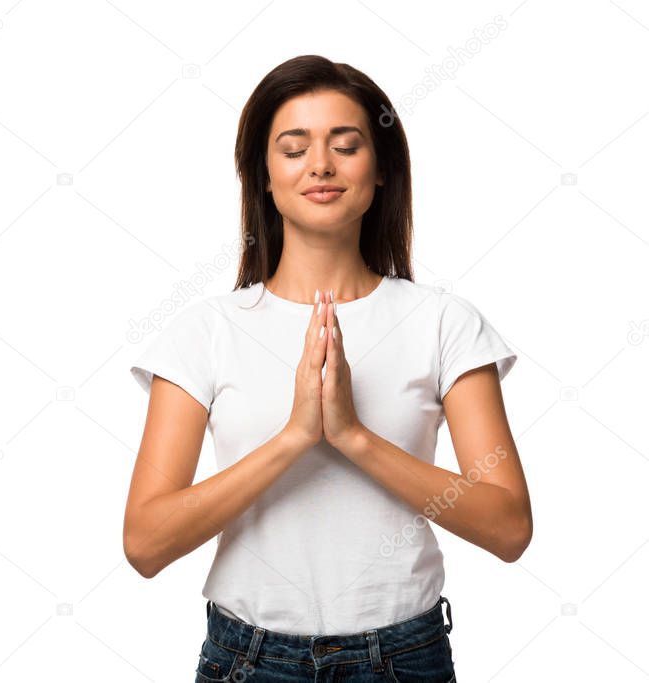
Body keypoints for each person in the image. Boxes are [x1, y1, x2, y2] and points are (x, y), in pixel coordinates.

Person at [123, 55, 532, 682]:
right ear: (262, 174)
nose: (320, 165)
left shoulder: (443, 322)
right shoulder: (205, 330)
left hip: (402, 658)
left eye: (346, 145)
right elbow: (146, 544)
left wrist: (353, 438)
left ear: (382, 171)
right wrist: (294, 438)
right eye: (294, 148)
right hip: (248, 660)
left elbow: (509, 529)